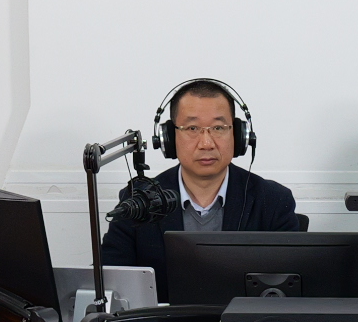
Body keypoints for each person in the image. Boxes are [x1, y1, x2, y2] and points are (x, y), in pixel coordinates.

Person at [96, 77, 302, 284]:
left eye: (218, 128)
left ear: (239, 135)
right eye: (192, 128)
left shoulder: (272, 201)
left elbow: (291, 285)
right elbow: (110, 280)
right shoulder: (139, 202)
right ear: (169, 138)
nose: (206, 143)